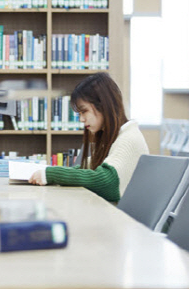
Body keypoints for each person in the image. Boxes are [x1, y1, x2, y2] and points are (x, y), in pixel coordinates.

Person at [29, 72, 149, 202]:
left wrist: (51, 174)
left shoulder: (129, 138)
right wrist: (50, 171)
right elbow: (87, 167)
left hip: (123, 219)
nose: (81, 119)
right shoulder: (114, 137)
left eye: (84, 111)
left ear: (103, 106)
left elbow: (107, 182)